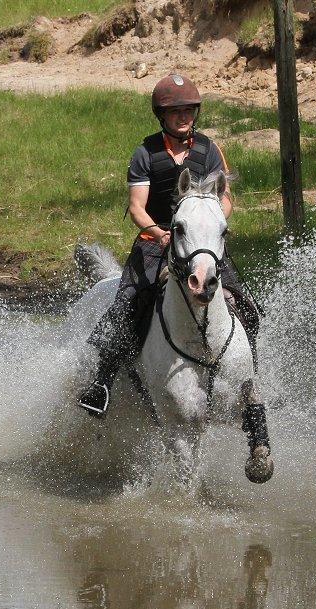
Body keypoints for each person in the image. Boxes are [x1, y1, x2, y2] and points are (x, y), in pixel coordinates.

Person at [78, 73, 259, 417]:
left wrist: (210, 226)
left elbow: (226, 198)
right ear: (162, 116)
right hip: (154, 240)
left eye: (189, 110)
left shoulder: (209, 149)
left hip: (198, 243)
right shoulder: (145, 152)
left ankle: (252, 381)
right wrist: (160, 233)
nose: (184, 116)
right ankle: (102, 382)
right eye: (176, 111)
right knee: (128, 305)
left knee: (245, 305)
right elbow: (136, 206)